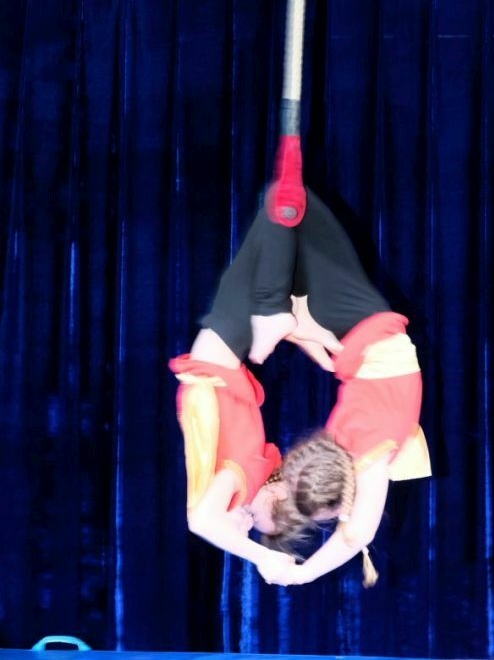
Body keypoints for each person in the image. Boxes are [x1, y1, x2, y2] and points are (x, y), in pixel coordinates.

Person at [169, 188, 430, 587]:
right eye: (256, 520)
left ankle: (286, 316)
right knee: (285, 205)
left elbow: (350, 521)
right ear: (275, 495)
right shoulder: (359, 452)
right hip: (356, 333)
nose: (247, 526)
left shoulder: (328, 451)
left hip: (343, 337)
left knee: (284, 207)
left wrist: (315, 342)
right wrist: (283, 566)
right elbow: (357, 531)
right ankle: (285, 316)